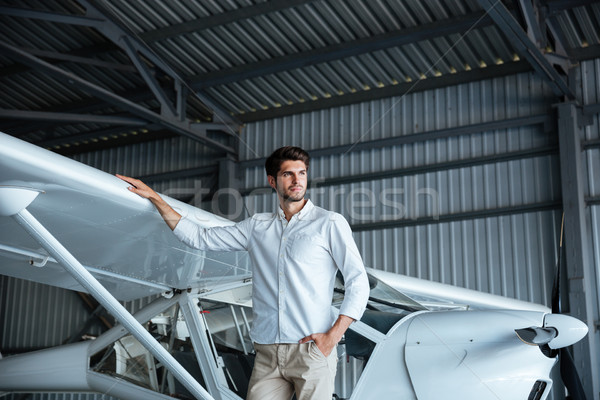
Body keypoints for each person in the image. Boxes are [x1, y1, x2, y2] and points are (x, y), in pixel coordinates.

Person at [117, 146, 370, 400]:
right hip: (267, 353)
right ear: (272, 181)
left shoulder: (329, 223)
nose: (297, 180)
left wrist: (332, 337)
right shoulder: (257, 227)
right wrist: (156, 199)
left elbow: (358, 282)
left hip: (312, 351)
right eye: (288, 174)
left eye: (302, 173)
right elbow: (200, 238)